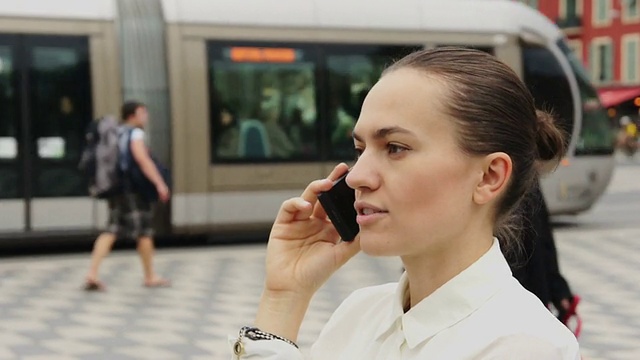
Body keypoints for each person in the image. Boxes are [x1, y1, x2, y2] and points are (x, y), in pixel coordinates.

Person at [229, 48, 580, 359]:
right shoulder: (359, 314)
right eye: (359, 149)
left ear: (489, 176)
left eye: (395, 147)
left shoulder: (524, 345)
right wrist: (284, 295)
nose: (355, 176)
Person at [84, 101, 171, 291]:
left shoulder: (118, 132)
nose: (145, 116)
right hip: (134, 190)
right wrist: (159, 183)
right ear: (132, 115)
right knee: (145, 231)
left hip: (117, 188)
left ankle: (92, 273)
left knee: (111, 229)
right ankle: (150, 276)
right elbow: (141, 159)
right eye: (142, 113)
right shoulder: (135, 133)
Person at [511, 179, 577, 326]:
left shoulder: (525, 168)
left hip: (532, 294)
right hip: (494, 300)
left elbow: (541, 232)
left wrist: (556, 287)